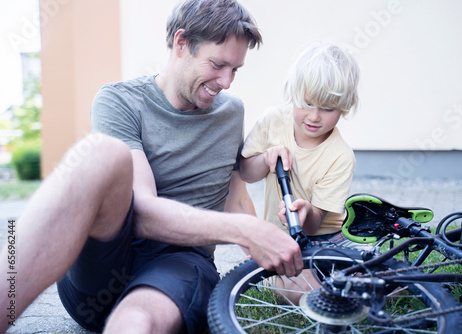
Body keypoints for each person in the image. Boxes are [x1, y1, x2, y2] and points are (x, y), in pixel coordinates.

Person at [0, 1, 303, 333]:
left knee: (135, 322)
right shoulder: (119, 101)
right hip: (105, 264)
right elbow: (142, 212)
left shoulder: (231, 113)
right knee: (102, 151)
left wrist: (284, 254)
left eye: (236, 69)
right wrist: (243, 231)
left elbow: (235, 200)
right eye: (218, 64)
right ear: (181, 43)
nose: (227, 81)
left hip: (180, 264)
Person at [239, 42, 361, 304]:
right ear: (293, 93)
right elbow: (246, 173)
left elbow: (316, 222)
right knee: (309, 294)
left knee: (378, 280)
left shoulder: (340, 156)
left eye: (328, 109)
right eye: (307, 103)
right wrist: (266, 158)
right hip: (284, 241)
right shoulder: (273, 120)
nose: (314, 116)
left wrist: (305, 211)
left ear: (345, 107)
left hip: (329, 240)